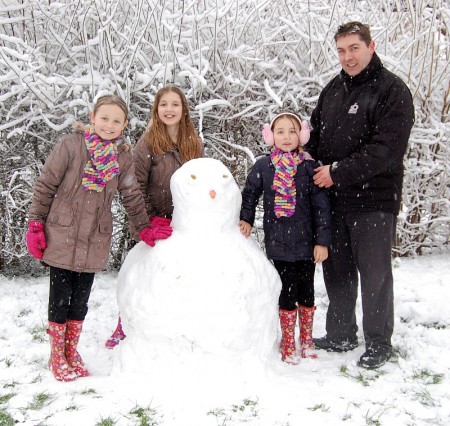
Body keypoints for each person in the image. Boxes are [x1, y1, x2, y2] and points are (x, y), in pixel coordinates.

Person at [26, 94, 170, 382]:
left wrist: (144, 227)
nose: (109, 124)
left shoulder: (122, 157)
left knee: (80, 301)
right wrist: (35, 225)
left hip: (95, 238)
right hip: (63, 232)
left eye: (116, 120)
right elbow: (45, 186)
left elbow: (131, 195)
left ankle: (71, 351)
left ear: (124, 125)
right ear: (92, 118)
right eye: (104, 118)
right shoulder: (70, 146)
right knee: (60, 299)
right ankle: (57, 356)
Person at [307, 22, 415, 369]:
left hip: (374, 202)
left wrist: (336, 171)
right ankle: (340, 333)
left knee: (374, 273)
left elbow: (385, 150)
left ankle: (379, 342)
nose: (347, 57)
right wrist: (294, 151)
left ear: (371, 46)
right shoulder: (332, 90)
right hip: (335, 200)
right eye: (341, 50)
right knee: (337, 271)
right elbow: (315, 137)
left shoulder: (392, 90)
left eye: (354, 48)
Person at [105, 85, 204, 348]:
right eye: (164, 105)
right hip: (153, 222)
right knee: (144, 274)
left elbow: (202, 182)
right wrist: (149, 220)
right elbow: (133, 183)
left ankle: (176, 323)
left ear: (183, 110)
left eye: (175, 104)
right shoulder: (147, 143)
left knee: (180, 276)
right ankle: (124, 323)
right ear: (156, 109)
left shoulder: (194, 143)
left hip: (185, 223)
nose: (169, 110)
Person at [239, 112, 331, 364]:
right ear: (271, 136)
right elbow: (249, 194)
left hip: (306, 245)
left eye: (292, 131)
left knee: (307, 293)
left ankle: (308, 339)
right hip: (277, 244)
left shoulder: (309, 166)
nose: (287, 137)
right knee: (286, 294)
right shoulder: (263, 166)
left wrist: (322, 241)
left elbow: (321, 206)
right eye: (280, 131)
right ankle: (288, 340)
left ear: (301, 135)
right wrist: (245, 219)